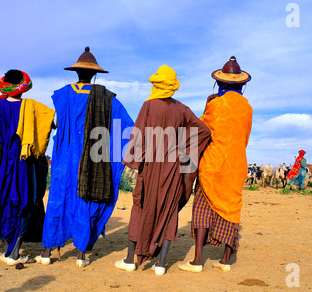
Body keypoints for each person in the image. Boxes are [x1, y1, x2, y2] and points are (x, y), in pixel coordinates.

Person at [37, 47, 134, 267]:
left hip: (64, 159)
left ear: (76, 72)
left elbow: (55, 121)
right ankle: (80, 256)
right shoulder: (105, 98)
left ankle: (46, 253)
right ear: (95, 74)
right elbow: (128, 128)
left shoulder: (63, 95)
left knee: (57, 200)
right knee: (85, 200)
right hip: (92, 159)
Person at [114, 65, 211, 275]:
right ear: (173, 86)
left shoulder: (149, 106)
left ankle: (131, 260)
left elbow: (138, 134)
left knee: (139, 207)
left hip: (150, 167)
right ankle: (161, 265)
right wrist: (182, 150)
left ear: (157, 84)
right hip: (173, 169)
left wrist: (133, 164)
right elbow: (203, 130)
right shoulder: (182, 109)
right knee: (169, 212)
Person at [0, 69, 55, 266]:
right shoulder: (33, 107)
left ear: (5, 85)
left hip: (3, 162)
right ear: (24, 87)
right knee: (25, 201)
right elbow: (53, 121)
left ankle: (8, 248)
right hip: (25, 163)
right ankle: (15, 250)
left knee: (3, 200)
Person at [178, 56, 253, 273]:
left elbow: (202, 129)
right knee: (231, 209)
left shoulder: (216, 104)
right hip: (236, 164)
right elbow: (244, 137)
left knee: (202, 208)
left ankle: (198, 260)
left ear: (219, 83)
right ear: (241, 85)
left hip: (213, 163)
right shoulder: (247, 108)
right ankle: (226, 261)